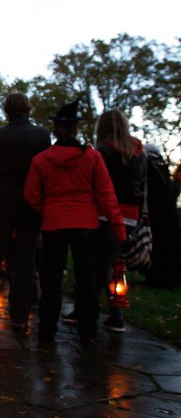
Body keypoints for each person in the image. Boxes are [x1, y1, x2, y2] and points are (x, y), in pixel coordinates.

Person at [24, 100, 125, 346]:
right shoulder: (91, 158)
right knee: (86, 279)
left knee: (52, 279)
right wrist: (118, 228)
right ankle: (88, 332)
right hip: (86, 225)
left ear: (55, 131)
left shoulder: (41, 160)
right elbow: (106, 194)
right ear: (76, 130)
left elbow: (31, 194)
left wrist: (46, 208)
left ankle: (47, 331)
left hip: (54, 225)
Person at [0, 92, 51, 333]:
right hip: (30, 206)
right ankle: (19, 318)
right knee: (25, 263)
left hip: (1, 205)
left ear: (6, 110)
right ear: (28, 109)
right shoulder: (42, 135)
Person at [86, 110, 148, 332]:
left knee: (98, 266)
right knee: (116, 264)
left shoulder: (103, 153)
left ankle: (94, 312)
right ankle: (115, 311)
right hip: (130, 216)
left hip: (105, 213)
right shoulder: (139, 153)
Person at [141, 143, 181, 287]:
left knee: (159, 248)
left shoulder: (150, 172)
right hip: (166, 220)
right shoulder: (164, 175)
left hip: (156, 220)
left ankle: (160, 277)